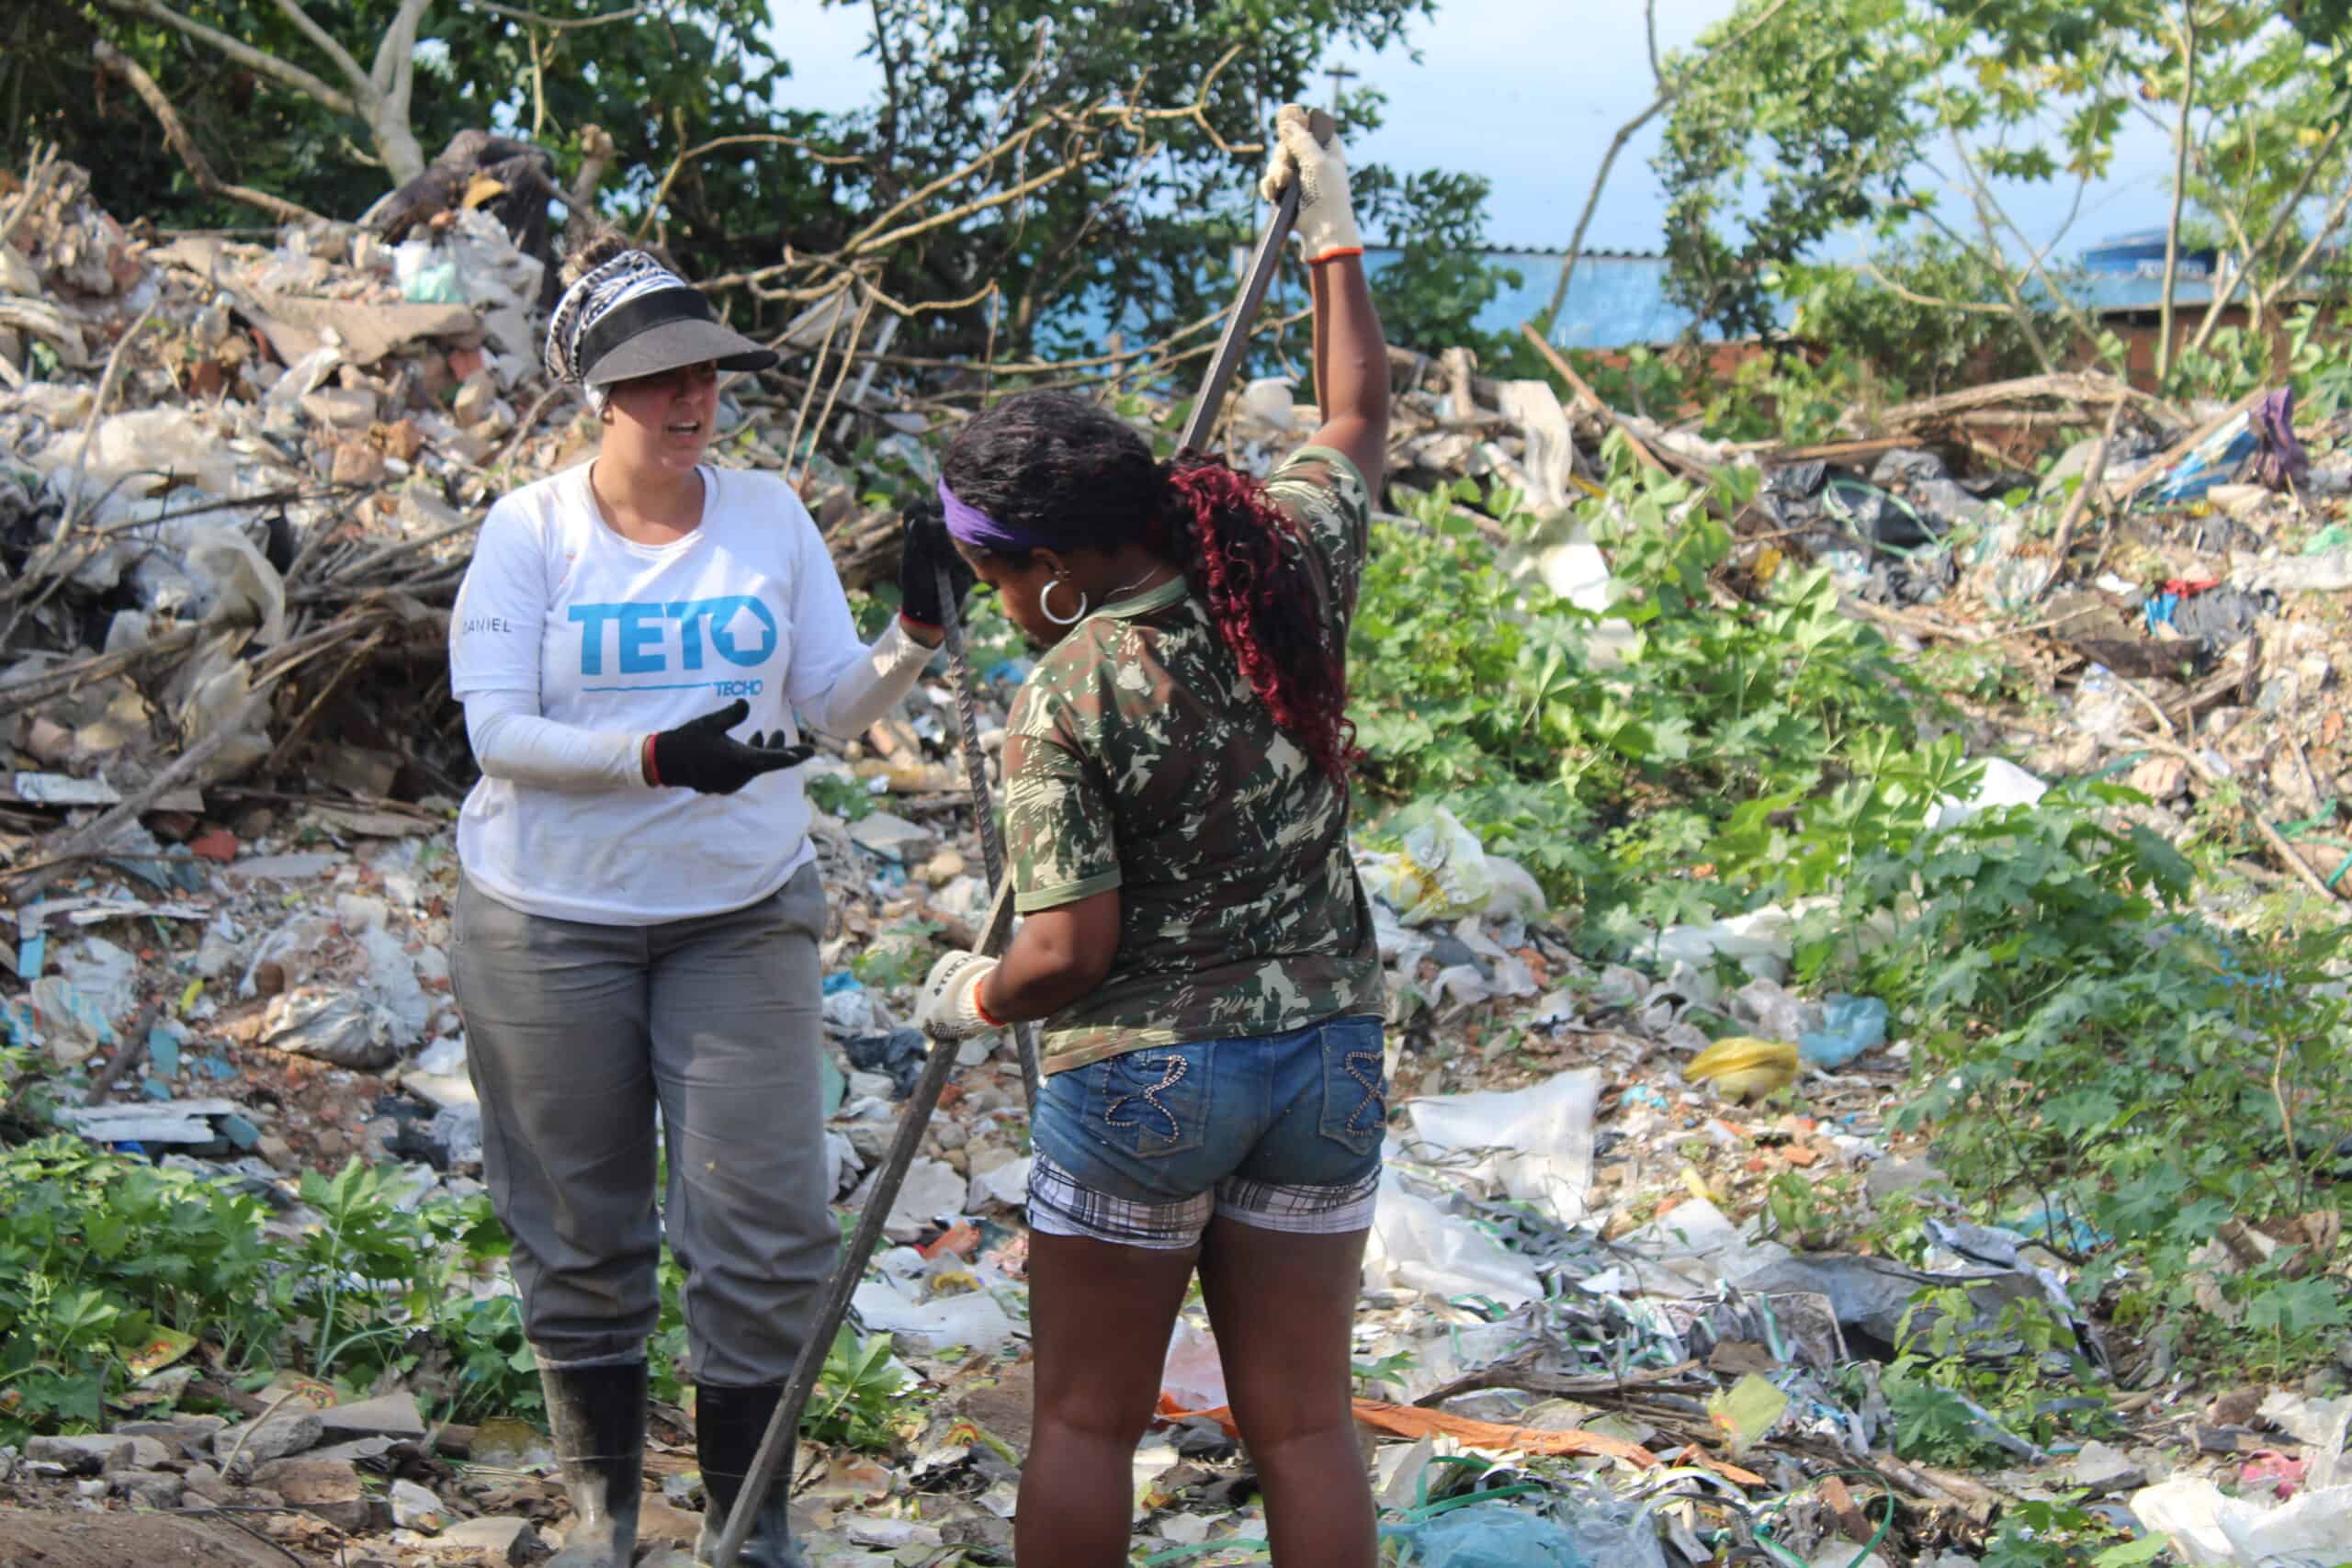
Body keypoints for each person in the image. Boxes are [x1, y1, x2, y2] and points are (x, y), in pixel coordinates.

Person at [446, 239, 972, 1568]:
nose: (691, 401)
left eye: (705, 376)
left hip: (738, 908)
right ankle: (602, 1523)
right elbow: (497, 733)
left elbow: (829, 707)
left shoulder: (769, 517)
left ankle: (748, 1531)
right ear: (598, 400)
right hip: (544, 918)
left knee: (765, 1224)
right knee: (577, 1221)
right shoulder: (532, 532)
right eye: (656, 382)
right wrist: (656, 755)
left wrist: (912, 636)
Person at [915, 105, 1390, 1568]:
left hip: (1148, 1084)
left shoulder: (1064, 695)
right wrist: (1332, 228)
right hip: (1323, 1057)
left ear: (1055, 570)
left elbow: (1069, 949)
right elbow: (1357, 418)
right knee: (1306, 1425)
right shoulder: (1283, 560)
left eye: (995, 577)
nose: (994, 603)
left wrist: (971, 994)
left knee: (1083, 1425)